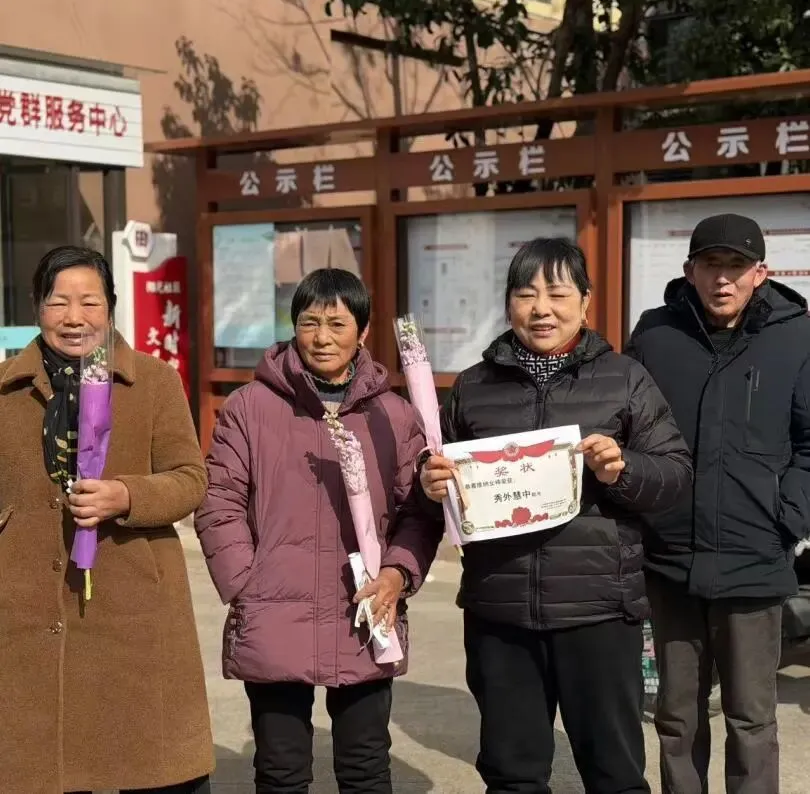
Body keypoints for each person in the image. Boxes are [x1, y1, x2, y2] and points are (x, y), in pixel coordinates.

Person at [420, 238, 692, 794]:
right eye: (526, 294)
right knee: (511, 774)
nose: (541, 308)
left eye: (558, 293)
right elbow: (435, 480)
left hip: (598, 609)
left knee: (615, 773)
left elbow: (675, 474)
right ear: (508, 304)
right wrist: (430, 484)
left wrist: (623, 469)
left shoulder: (624, 378)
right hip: (500, 611)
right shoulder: (473, 386)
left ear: (585, 301)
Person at [195, 268, 443, 794]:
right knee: (281, 771)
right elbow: (219, 503)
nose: (322, 337)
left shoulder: (395, 416)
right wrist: (245, 583)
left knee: (365, 767)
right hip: (273, 611)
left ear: (363, 331)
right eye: (310, 323)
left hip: (365, 610)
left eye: (337, 323)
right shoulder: (249, 407)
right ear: (293, 327)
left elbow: (418, 513)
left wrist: (397, 576)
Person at [0, 246, 213, 794]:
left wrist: (126, 495)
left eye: (90, 302)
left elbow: (191, 479)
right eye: (58, 303)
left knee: (142, 761)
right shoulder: (4, 390)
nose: (74, 317)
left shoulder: (154, 382)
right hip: (26, 614)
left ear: (111, 307)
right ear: (37, 307)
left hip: (132, 608)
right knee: (42, 765)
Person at [625, 213, 810, 794]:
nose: (722, 279)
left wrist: (788, 519)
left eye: (736, 266)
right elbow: (627, 430)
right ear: (690, 271)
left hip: (755, 557)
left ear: (761, 273)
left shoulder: (797, 337)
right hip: (671, 559)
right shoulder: (655, 335)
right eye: (711, 265)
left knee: (751, 718)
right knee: (677, 717)